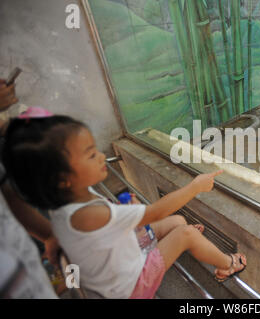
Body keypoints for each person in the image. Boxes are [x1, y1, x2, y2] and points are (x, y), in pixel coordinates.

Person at [2, 114, 247, 299]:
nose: (100, 156)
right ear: (63, 178)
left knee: (178, 222)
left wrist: (73, 280)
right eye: (90, 154)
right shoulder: (89, 215)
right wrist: (195, 186)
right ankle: (227, 265)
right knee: (186, 233)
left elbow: (74, 248)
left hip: (113, 263)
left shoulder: (61, 206)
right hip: (131, 286)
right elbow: (155, 212)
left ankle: (184, 242)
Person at [0, 78, 58, 298]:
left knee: (69, 270)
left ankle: (71, 284)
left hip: (31, 263)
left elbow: (12, 200)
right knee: (69, 271)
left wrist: (52, 236)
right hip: (18, 276)